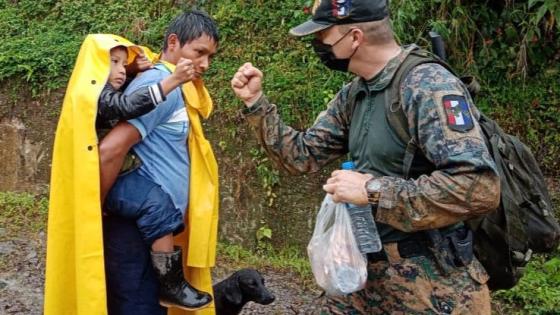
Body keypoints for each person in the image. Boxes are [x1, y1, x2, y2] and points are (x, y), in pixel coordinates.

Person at [231, 0, 500, 314]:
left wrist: (372, 191)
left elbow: (479, 186)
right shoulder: (355, 94)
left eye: (323, 37)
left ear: (355, 37)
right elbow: (301, 156)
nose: (317, 45)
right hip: (363, 276)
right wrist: (256, 103)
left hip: (432, 287)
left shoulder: (427, 86)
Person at [99, 10, 219, 315]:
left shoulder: (174, 85)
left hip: (151, 233)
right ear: (174, 42)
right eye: (199, 52)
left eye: (210, 56)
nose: (205, 64)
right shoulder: (160, 85)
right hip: (136, 234)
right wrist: (94, 206)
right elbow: (110, 149)